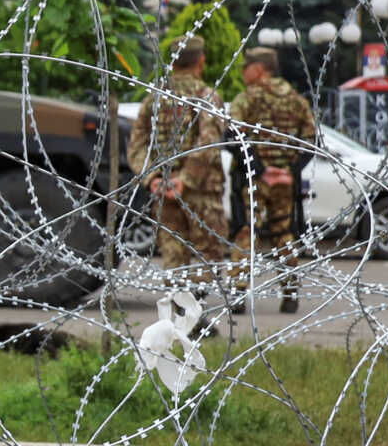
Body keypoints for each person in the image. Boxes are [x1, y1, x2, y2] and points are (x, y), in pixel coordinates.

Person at [129, 41, 231, 281]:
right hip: (201, 191)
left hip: (164, 189)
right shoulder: (206, 97)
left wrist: (152, 178)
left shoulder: (155, 98)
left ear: (172, 62)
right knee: (209, 257)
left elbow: (137, 145)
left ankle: (177, 310)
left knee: (174, 260)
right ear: (201, 61)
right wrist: (185, 179)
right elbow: (208, 143)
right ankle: (197, 311)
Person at [228, 44, 318, 315]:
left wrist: (257, 168)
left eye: (246, 68)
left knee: (247, 233)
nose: (243, 73)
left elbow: (233, 135)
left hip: (256, 181)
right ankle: (290, 292)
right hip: (285, 182)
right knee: (283, 233)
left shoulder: (247, 98)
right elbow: (311, 140)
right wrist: (291, 171)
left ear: (258, 69)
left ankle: (237, 293)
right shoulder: (296, 100)